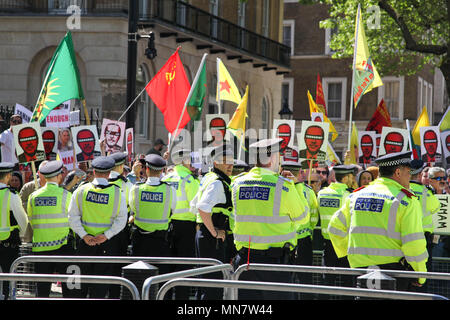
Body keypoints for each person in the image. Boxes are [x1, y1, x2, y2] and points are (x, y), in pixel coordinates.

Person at [328, 151, 428, 291]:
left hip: (360, 270)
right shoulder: (406, 201)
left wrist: (351, 255)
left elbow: (334, 228)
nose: (410, 176)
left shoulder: (355, 196)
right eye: (408, 172)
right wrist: (420, 274)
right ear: (398, 173)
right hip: (394, 271)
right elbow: (414, 244)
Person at [231, 138, 308, 300]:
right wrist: (296, 186)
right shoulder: (284, 185)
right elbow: (302, 218)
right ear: (272, 158)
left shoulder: (237, 184)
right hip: (275, 265)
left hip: (246, 262)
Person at [68, 156, 127, 298]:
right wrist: (106, 235)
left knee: (80, 288)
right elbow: (121, 220)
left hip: (85, 244)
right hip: (107, 245)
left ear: (93, 172)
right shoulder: (118, 192)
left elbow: (72, 217)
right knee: (100, 289)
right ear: (109, 173)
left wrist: (84, 235)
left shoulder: (81, 191)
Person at [26, 160, 74, 298]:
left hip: (40, 247)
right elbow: (72, 219)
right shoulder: (65, 195)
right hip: (63, 246)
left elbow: (31, 220)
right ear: (59, 176)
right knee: (69, 288)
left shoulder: (33, 196)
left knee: (42, 290)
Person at [195, 144, 234, 300]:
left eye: (232, 161)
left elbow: (193, 205)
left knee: (204, 283)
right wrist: (214, 231)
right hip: (212, 238)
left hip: (204, 235)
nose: (231, 165)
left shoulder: (208, 178)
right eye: (226, 161)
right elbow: (202, 208)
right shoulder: (217, 182)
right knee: (213, 288)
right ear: (216, 162)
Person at [161, 148, 200, 300]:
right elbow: (196, 206)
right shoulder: (190, 180)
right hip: (187, 227)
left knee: (168, 266)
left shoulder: (166, 178)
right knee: (184, 267)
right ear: (184, 161)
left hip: (168, 226)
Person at [129, 154, 176, 272]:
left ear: (147, 169)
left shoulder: (136, 188)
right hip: (161, 241)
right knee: (161, 277)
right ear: (161, 171)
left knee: (139, 277)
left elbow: (133, 209)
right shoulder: (170, 189)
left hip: (140, 240)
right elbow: (172, 210)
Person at [281, 160, 318, 300]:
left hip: (285, 240)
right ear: (300, 173)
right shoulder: (308, 191)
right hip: (304, 240)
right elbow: (314, 216)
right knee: (305, 278)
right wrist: (308, 230)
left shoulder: (279, 188)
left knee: (285, 277)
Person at [317, 164, 357, 291]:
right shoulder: (349, 196)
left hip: (327, 244)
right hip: (345, 246)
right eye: (351, 177)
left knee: (327, 283)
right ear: (345, 178)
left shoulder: (321, 193)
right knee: (348, 284)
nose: (353, 180)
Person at [409, 160, 440, 289]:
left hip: (406, 235)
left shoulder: (401, 190)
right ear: (420, 173)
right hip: (424, 237)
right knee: (423, 272)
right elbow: (435, 207)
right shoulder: (427, 192)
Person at [0, 162, 29, 300]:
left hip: (7, 244)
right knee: (8, 280)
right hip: (8, 245)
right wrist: (23, 235)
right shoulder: (11, 195)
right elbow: (23, 220)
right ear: (8, 176)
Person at [108, 151, 134, 298]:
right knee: (118, 265)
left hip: (101, 229)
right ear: (119, 167)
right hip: (120, 232)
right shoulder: (127, 184)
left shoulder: (100, 183)